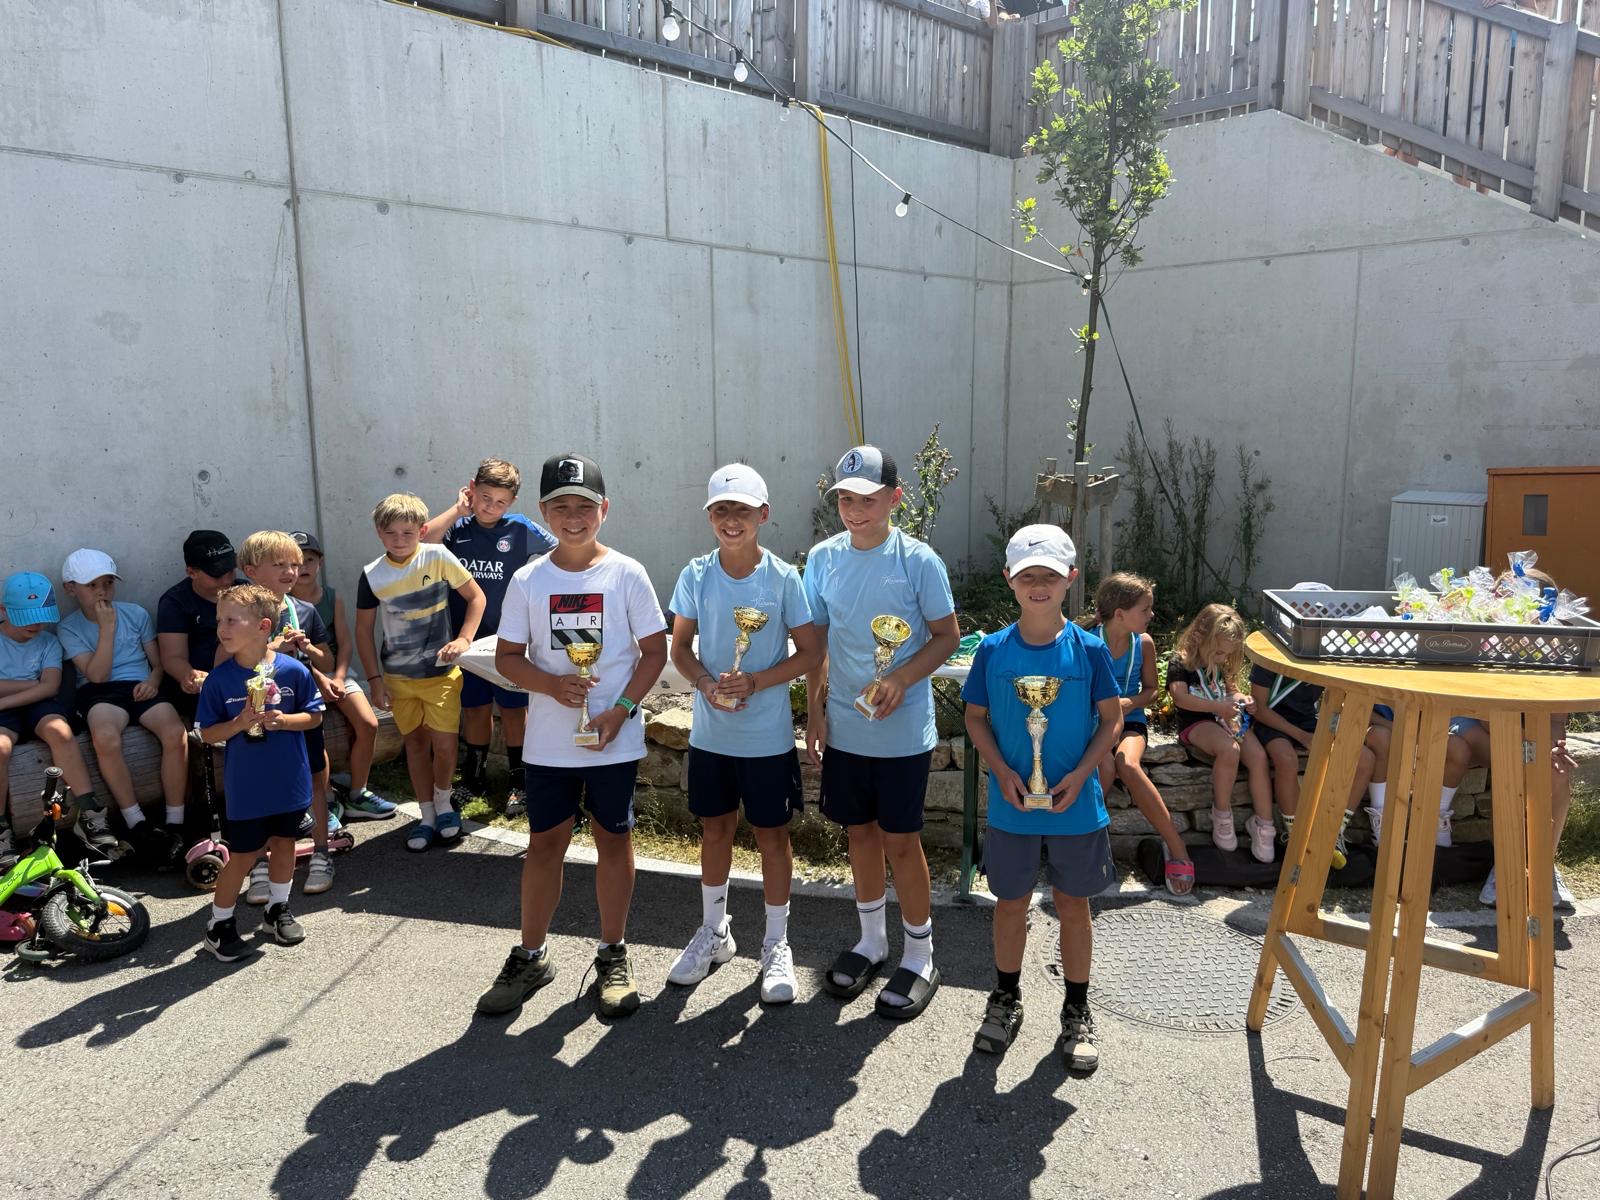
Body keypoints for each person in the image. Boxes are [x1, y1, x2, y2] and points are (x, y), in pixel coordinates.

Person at [475, 454, 667, 1020]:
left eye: (585, 505)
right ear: (543, 511)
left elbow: (654, 652)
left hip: (612, 740)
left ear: (605, 509)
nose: (574, 516)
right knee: (544, 845)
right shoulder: (529, 579)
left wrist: (622, 710)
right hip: (549, 745)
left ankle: (613, 953)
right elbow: (509, 657)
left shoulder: (627, 573)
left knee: (614, 841)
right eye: (561, 506)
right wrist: (552, 686)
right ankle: (531, 955)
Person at [803, 445, 960, 1020]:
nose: (855, 510)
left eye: (867, 499)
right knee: (860, 835)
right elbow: (817, 643)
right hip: (847, 730)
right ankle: (872, 942)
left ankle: (920, 955)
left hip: (902, 735)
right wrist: (816, 711)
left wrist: (900, 678)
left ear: (894, 498)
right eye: (845, 498)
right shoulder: (823, 558)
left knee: (901, 841)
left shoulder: (918, 560)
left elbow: (946, 635)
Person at [963, 526, 1121, 1068]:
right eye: (1027, 574)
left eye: (1049, 575)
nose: (1038, 584)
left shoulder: (1090, 650)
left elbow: (1111, 719)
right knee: (1010, 904)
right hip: (1013, 806)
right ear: (1009, 578)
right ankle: (1006, 997)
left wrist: (1081, 775)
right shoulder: (992, 650)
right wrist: (1002, 769)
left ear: (1070, 579)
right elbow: (975, 717)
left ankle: (1076, 1009)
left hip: (1076, 808)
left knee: (1074, 906)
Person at [664, 464, 822, 1003]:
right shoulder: (695, 574)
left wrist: (756, 681)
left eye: (743, 510)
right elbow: (680, 648)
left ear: (764, 514)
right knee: (714, 832)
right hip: (711, 736)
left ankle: (776, 943)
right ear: (709, 515)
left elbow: (811, 652)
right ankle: (715, 932)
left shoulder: (784, 577)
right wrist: (707, 683)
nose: (731, 520)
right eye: (721, 510)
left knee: (772, 838)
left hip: (766, 739)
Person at [196, 583, 325, 960]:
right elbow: (206, 733)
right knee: (243, 855)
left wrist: (284, 721)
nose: (222, 628)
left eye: (231, 620)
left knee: (285, 845)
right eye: (220, 620)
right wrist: (238, 723)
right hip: (247, 789)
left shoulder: (293, 670)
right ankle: (219, 925)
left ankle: (277, 909)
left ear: (263, 626)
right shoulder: (218, 680)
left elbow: (315, 717)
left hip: (290, 782)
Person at [424, 458, 557, 815]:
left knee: (514, 712)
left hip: (510, 642)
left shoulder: (520, 527)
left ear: (512, 502)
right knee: (475, 709)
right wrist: (457, 510)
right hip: (466, 641)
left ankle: (519, 783)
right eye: (484, 497)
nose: (491, 507)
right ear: (471, 489)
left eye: (500, 502)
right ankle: (474, 779)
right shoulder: (458, 527)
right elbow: (423, 542)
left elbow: (560, 552)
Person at [355, 494, 485, 853]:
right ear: (379, 533)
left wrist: (464, 639)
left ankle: (444, 804)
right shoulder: (372, 574)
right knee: (414, 745)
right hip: (398, 680)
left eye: (408, 533)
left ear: (422, 531)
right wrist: (375, 680)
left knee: (444, 746)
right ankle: (426, 815)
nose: (399, 540)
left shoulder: (438, 556)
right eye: (391, 533)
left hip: (442, 674)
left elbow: (476, 597)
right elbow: (363, 631)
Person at [56, 548, 189, 867]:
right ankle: (135, 820)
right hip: (100, 691)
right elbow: (97, 676)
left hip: (141, 684)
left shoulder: (136, 613)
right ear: (71, 589)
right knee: (105, 737)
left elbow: (157, 663)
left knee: (175, 732)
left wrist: (153, 681)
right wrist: (107, 629)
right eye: (92, 585)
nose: (102, 591)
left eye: (107, 583)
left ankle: (176, 819)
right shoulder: (69, 627)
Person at [238, 530, 342, 897]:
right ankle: (260, 864)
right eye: (279, 564)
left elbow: (326, 660)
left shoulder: (304, 610)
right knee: (261, 784)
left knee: (315, 776)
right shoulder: (239, 612)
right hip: (256, 711)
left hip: (299, 707)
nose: (290, 572)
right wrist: (270, 649)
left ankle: (321, 853)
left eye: (294, 565)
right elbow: (222, 661)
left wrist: (308, 650)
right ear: (251, 571)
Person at [1247, 586, 1375, 871]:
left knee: (1364, 758)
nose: (1312, 617)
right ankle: (1296, 836)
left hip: (1307, 722)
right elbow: (1260, 707)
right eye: (1304, 610)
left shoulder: (1327, 650)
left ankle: (1332, 832)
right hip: (1272, 721)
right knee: (1286, 759)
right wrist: (1302, 736)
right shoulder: (1272, 649)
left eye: (1319, 612)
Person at [1081, 572, 1193, 895]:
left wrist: (1129, 702)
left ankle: (1176, 846)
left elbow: (1152, 691)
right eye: (1145, 609)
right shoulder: (1087, 641)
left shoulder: (1143, 644)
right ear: (1120, 614)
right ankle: (1085, 841)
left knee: (1127, 764)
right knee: (1104, 767)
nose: (1152, 615)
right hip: (1095, 722)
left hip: (1130, 720)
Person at [0, 572, 115, 866]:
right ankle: (1, 829)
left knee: (60, 732)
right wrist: (32, 684)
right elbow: (42, 683)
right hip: (14, 710)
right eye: (26, 618)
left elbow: (50, 687)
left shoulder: (48, 642)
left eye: (40, 617)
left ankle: (89, 811)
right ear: (3, 610)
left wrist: (8, 696)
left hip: (36, 704)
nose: (35, 625)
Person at [289, 530, 395, 822]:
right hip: (303, 676)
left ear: (320, 562)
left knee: (369, 723)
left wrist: (338, 677)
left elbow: (345, 643)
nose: (303, 567)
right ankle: (326, 800)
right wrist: (320, 679)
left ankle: (358, 793)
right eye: (296, 561)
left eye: (309, 560)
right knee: (317, 735)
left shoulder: (331, 597)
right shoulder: (283, 604)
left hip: (336, 671)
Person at [1166, 603, 1275, 863]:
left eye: (1227, 653)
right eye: (1218, 652)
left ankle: (1264, 824)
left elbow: (1231, 691)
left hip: (1226, 718)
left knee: (1258, 756)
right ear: (1199, 637)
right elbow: (1181, 698)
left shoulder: (1221, 663)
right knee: (1229, 749)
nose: (1222, 657)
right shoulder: (1180, 662)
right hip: (1197, 722)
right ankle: (1222, 814)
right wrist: (1217, 707)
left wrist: (1243, 699)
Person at [155, 530, 240, 724]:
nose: (227, 580)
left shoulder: (243, 591)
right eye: (217, 575)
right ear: (192, 572)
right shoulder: (175, 602)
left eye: (230, 571)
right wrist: (189, 675)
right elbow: (172, 657)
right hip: (200, 692)